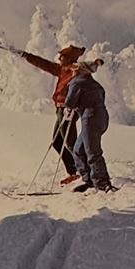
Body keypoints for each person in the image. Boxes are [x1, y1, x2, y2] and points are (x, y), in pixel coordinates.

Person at [17, 44, 101, 183]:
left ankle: (85, 172)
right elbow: (44, 64)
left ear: (69, 58)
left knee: (70, 143)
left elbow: (88, 66)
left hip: (68, 110)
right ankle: (75, 171)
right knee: (57, 142)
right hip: (60, 110)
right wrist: (26, 56)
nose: (59, 58)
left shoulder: (74, 69)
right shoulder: (61, 69)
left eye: (62, 56)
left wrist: (96, 62)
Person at [62, 64, 114, 193]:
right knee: (78, 149)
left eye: (74, 69)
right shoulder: (97, 85)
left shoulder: (76, 82)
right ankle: (89, 180)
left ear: (78, 71)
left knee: (92, 151)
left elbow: (70, 102)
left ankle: (101, 183)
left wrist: (68, 107)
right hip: (102, 117)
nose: (72, 71)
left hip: (90, 118)